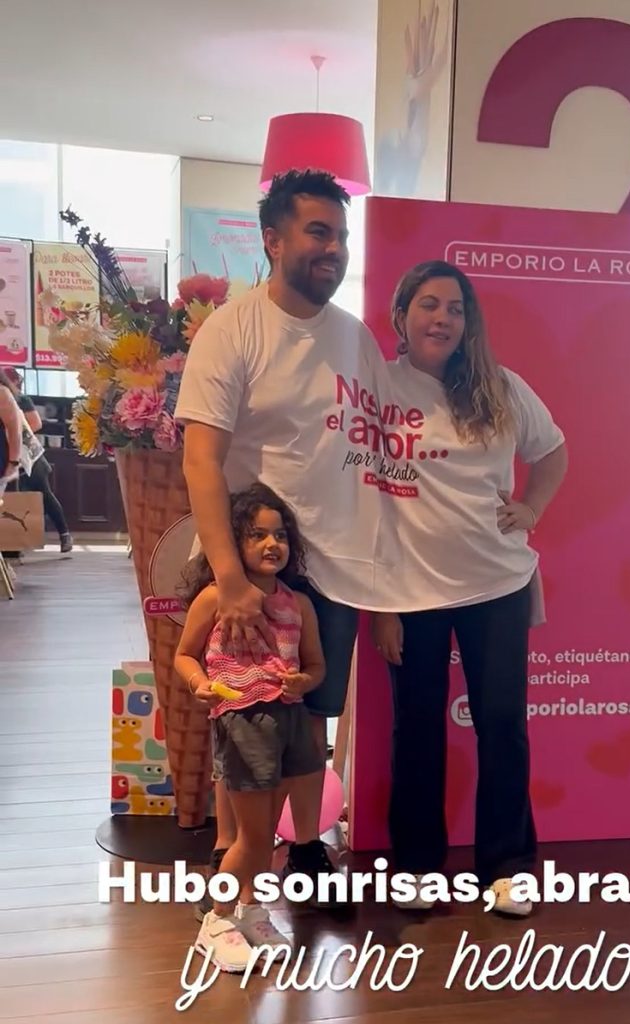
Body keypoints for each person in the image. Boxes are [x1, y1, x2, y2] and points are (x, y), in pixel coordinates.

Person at [174, 169, 385, 906]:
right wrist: (230, 578)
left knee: (305, 716)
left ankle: (302, 850)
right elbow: (199, 458)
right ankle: (235, 865)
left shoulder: (355, 338)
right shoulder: (233, 329)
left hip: (331, 567)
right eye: (317, 232)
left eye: (341, 236)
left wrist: (380, 581)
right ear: (272, 239)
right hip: (250, 565)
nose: (334, 249)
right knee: (245, 716)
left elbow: (378, 454)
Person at [370, 260, 568, 916]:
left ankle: (507, 866)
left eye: (454, 308)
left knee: (503, 724)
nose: (442, 318)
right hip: (412, 592)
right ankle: (419, 867)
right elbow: (361, 498)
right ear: (401, 316)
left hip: (497, 582)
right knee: (417, 729)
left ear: (467, 322)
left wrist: (530, 509)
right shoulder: (376, 388)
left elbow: (552, 452)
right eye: (428, 305)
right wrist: (382, 607)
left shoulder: (500, 388)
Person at [175, 482, 326, 972]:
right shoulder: (214, 598)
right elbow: (184, 656)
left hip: (291, 721)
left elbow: (317, 666)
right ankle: (215, 921)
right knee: (254, 838)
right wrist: (200, 683)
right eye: (257, 535)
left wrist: (305, 679)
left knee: (266, 837)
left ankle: (252, 910)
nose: (271, 545)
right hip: (243, 720)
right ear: (232, 542)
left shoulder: (298, 604)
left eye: (280, 535)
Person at [0, 368, 72, 552]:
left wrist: (14, 434)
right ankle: (13, 545)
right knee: (12, 500)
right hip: (10, 456)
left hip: (28, 457)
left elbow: (35, 423)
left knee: (45, 496)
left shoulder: (19, 399)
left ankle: (64, 534)